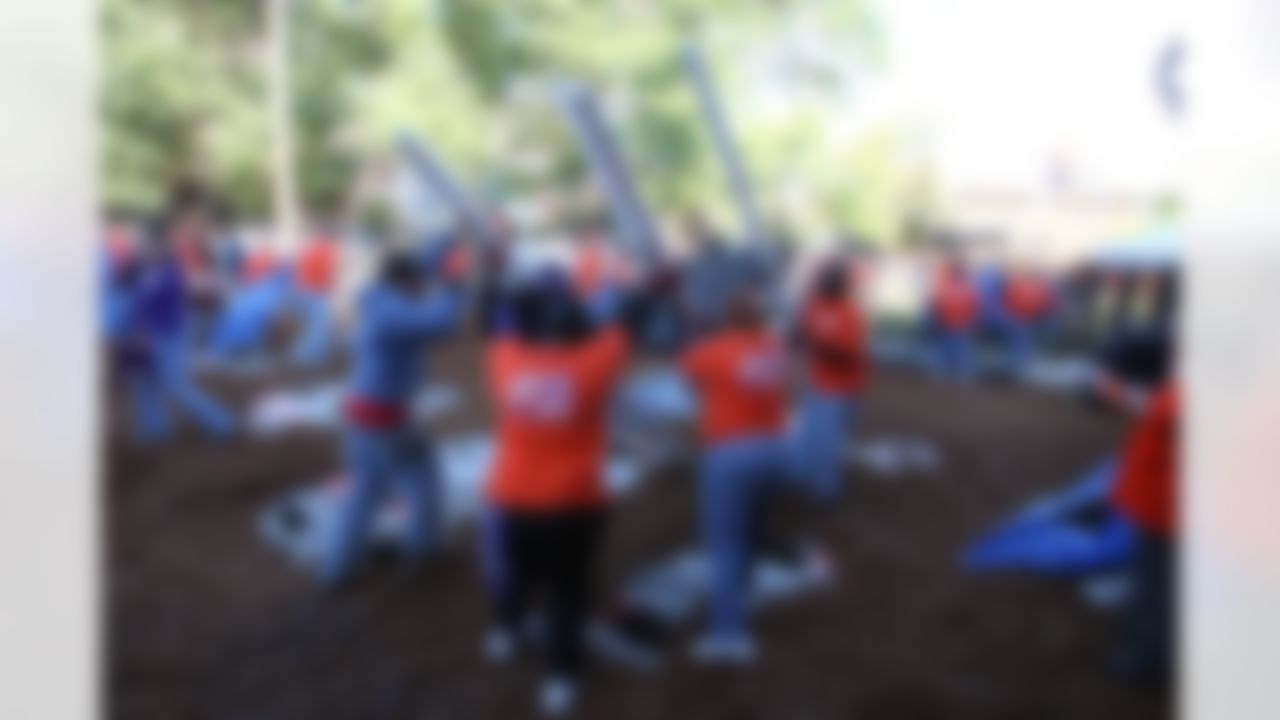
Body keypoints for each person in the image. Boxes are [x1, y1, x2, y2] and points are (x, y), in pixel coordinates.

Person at [479, 270, 631, 716]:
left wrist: (508, 289)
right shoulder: (595, 363)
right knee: (567, 590)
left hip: (511, 496)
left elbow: (500, 323)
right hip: (575, 501)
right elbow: (620, 327)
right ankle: (561, 679)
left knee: (516, 572)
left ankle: (506, 632)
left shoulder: (505, 361)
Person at [321, 247, 465, 587]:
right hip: (386, 419)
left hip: (365, 413)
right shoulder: (391, 309)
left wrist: (446, 242)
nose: (422, 289)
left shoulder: (378, 301)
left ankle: (337, 569)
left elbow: (421, 274)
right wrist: (453, 288)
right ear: (404, 280)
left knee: (363, 493)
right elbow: (440, 325)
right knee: (423, 481)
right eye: (418, 283)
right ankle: (422, 551)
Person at [679, 289, 791, 665]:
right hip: (774, 449)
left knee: (725, 545)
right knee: (752, 531)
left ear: (727, 318)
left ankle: (728, 635)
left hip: (729, 453)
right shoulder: (773, 348)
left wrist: (703, 334)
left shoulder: (715, 348)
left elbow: (689, 374)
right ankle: (743, 597)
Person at [117, 217, 237, 442]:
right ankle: (153, 433)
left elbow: (165, 306)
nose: (144, 247)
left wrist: (146, 331)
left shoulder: (169, 271)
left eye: (149, 243)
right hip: (147, 335)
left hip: (167, 335)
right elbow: (135, 298)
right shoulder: (147, 270)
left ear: (159, 244)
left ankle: (223, 424)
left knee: (176, 385)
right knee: (144, 384)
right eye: (142, 243)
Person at [1102, 372, 1178, 685]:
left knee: (1155, 587)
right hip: (1167, 509)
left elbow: (1163, 412)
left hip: (1168, 512)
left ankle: (1148, 657)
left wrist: (1118, 393)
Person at [793, 260, 868, 503]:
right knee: (810, 437)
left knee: (827, 442)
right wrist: (799, 335)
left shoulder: (850, 312)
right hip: (817, 384)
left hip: (841, 388)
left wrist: (816, 345)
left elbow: (846, 355)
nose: (826, 285)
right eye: (825, 280)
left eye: (833, 281)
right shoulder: (813, 305)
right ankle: (809, 480)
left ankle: (827, 492)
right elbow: (798, 335)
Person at [290, 229, 339, 367]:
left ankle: (304, 355)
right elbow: (328, 274)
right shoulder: (327, 251)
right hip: (316, 291)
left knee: (308, 326)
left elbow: (299, 269)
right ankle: (307, 357)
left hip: (303, 290)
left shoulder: (310, 249)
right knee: (317, 328)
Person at [999, 265, 1057, 377]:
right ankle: (1017, 368)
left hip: (1031, 320)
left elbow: (1047, 305)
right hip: (1019, 320)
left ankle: (1020, 367)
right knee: (1020, 342)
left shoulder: (1039, 288)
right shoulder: (1018, 286)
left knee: (1022, 343)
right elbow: (1006, 302)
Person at [928, 257, 980, 380]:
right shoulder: (958, 287)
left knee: (955, 350)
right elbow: (936, 306)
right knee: (953, 349)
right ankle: (953, 372)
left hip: (956, 324)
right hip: (951, 324)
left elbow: (973, 307)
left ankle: (954, 372)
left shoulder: (959, 287)